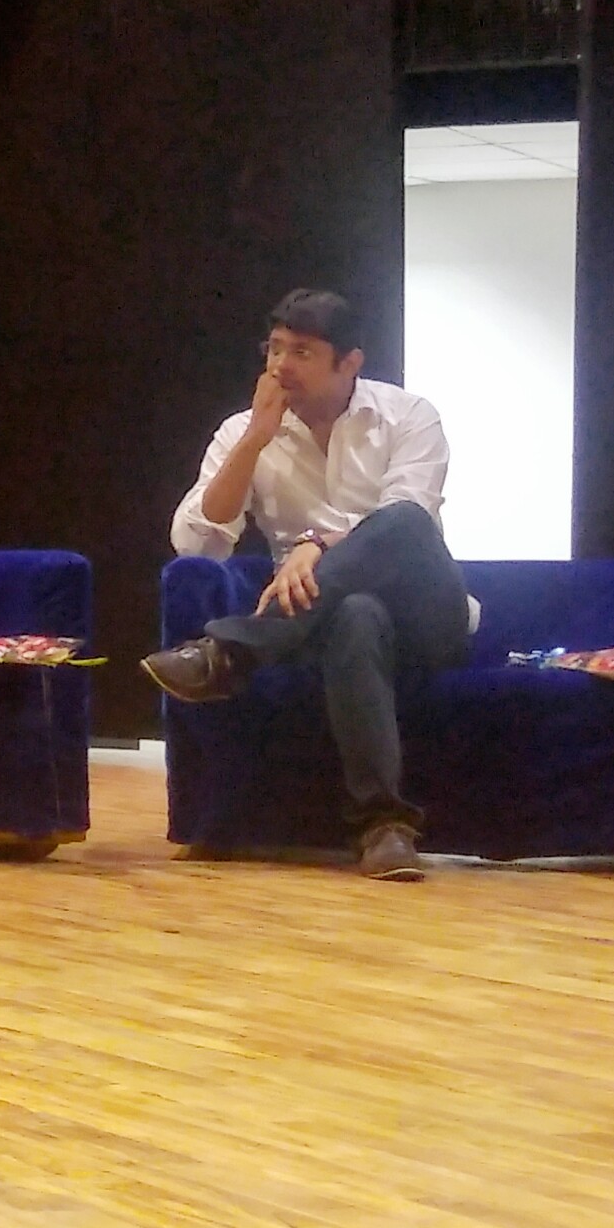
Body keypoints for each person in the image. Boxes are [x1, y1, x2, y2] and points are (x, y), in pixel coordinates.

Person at [141, 287, 470, 882]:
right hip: (322, 621)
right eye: (274, 349)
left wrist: (314, 544)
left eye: (302, 352)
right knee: (355, 615)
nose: (280, 366)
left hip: (427, 613)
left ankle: (233, 652)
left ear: (350, 362)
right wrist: (254, 441)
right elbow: (197, 543)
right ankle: (384, 828)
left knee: (402, 522)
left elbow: (410, 516)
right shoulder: (244, 429)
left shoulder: (409, 416)